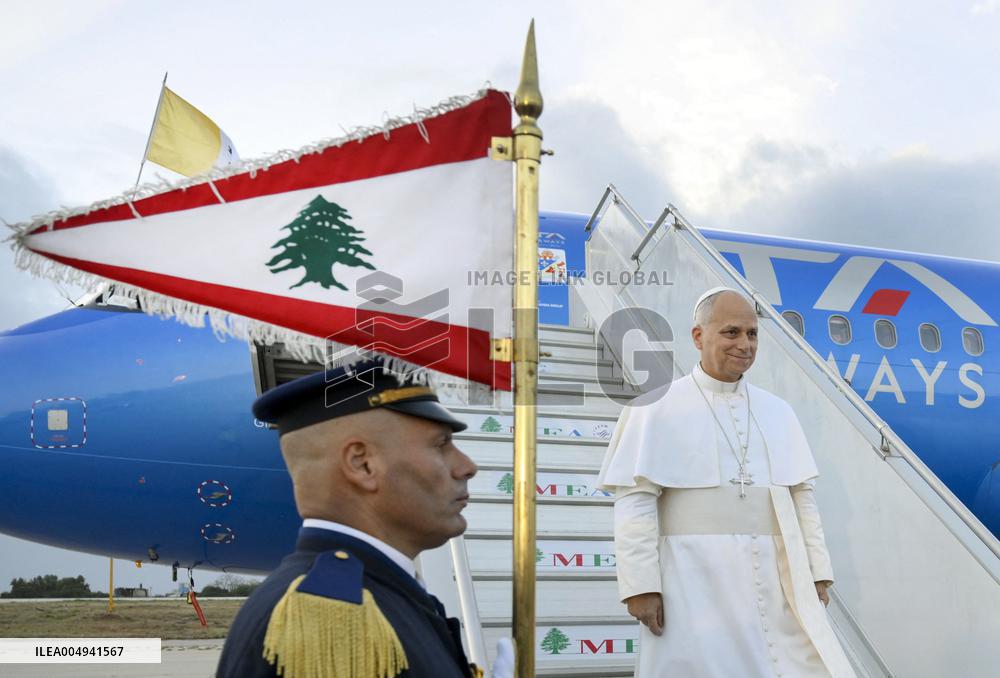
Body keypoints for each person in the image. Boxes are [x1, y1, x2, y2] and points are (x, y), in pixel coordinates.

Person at [597, 287, 856, 677]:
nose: (745, 344)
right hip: (691, 578)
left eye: (752, 334)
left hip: (775, 576)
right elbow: (635, 502)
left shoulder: (778, 411)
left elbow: (803, 497)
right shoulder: (656, 406)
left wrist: (817, 573)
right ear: (699, 337)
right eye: (731, 332)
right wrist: (641, 586)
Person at [217, 358, 479, 678]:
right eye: (441, 445)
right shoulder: (331, 615)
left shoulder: (381, 591)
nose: (467, 466)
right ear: (362, 465)